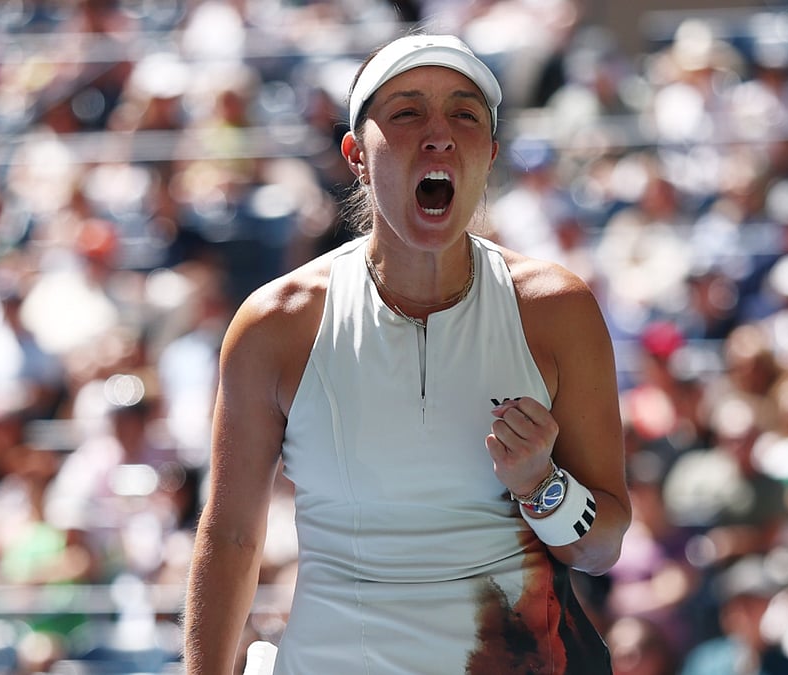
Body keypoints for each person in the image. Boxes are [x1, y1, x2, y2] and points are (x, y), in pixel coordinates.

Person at [183, 33, 631, 674]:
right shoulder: (274, 325)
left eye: (464, 114)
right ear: (355, 155)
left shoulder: (558, 309)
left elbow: (603, 546)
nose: (439, 134)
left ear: (490, 153)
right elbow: (229, 538)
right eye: (406, 112)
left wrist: (544, 487)